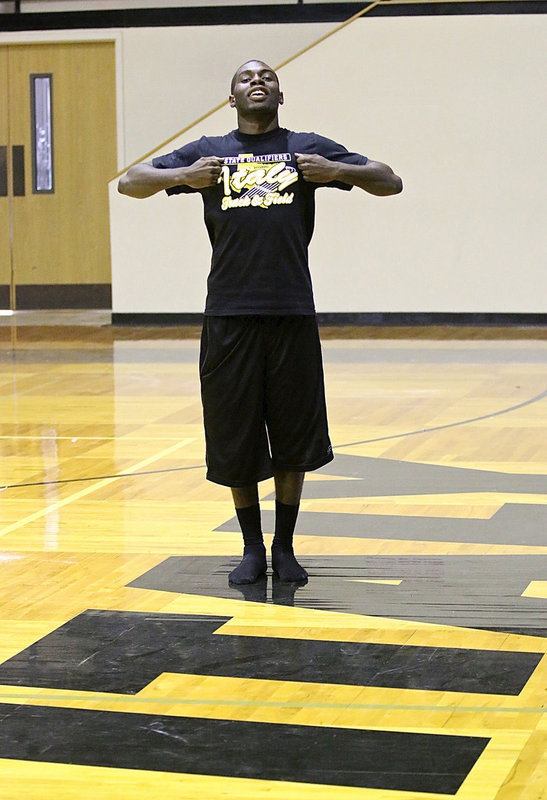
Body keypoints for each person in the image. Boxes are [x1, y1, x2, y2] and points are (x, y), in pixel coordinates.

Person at [118, 59, 402, 586]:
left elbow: (391, 181)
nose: (257, 81)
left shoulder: (306, 148)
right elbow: (129, 182)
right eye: (246, 78)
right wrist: (182, 176)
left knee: (293, 433)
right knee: (237, 434)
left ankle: (284, 545)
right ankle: (251, 546)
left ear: (280, 95)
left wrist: (337, 170)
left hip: (291, 310)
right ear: (232, 99)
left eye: (267, 76)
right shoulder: (209, 151)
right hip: (228, 313)